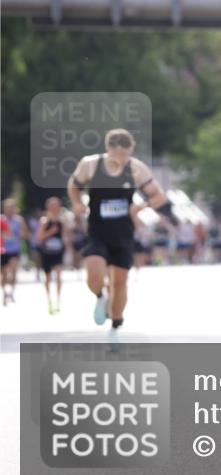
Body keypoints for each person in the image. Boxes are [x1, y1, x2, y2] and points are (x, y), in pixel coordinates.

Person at [67, 128, 178, 347]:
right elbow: (74, 185)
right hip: (97, 230)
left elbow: (158, 195)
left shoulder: (136, 169)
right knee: (94, 273)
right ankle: (100, 296)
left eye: (126, 155)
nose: (122, 160)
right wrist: (78, 203)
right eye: (118, 155)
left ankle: (115, 327)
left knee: (120, 282)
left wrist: (142, 206)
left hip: (123, 233)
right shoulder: (90, 164)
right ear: (109, 149)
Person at [36, 197, 70, 314]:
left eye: (57, 206)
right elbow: (39, 237)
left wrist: (66, 244)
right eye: (52, 206)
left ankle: (58, 301)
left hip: (58, 252)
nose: (55, 208)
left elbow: (66, 236)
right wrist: (50, 232)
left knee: (59, 275)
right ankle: (49, 301)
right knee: (48, 278)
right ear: (48, 207)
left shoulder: (62, 221)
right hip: (46, 252)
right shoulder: (45, 221)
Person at [1, 198, 28, 305]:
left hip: (14, 249)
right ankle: (4, 293)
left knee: (13, 271)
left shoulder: (19, 220)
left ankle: (12, 292)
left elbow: (25, 234)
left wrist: (20, 234)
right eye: (7, 208)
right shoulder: (1, 219)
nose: (10, 210)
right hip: (3, 249)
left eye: (11, 207)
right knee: (4, 275)